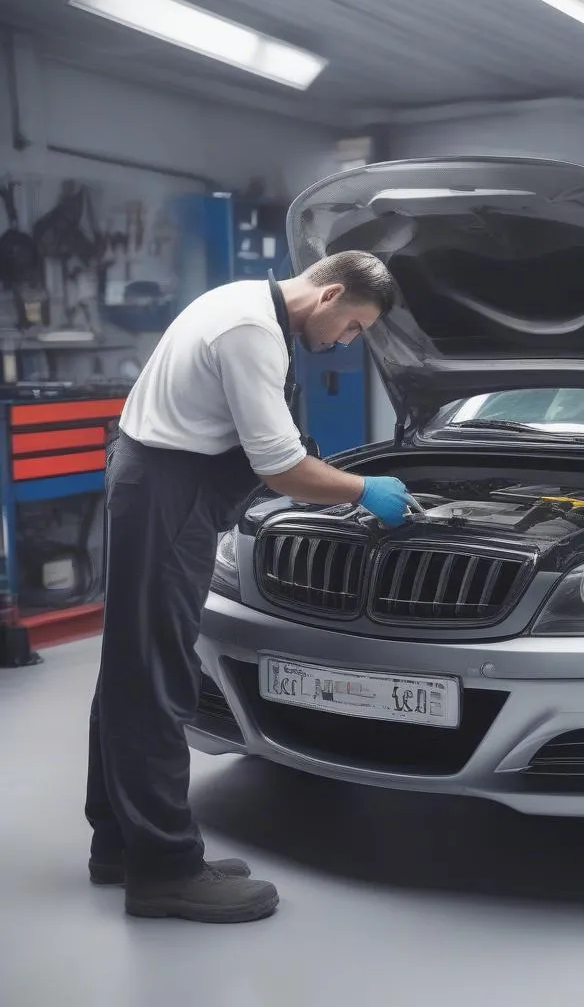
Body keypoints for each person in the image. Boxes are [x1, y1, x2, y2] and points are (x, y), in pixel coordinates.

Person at [85, 250, 412, 923]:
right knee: (156, 678)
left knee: (131, 670)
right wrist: (364, 491)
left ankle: (121, 845)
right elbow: (283, 469)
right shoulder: (252, 333)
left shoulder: (241, 301)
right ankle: (166, 869)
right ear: (328, 298)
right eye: (352, 326)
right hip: (167, 496)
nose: (346, 342)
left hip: (155, 483)